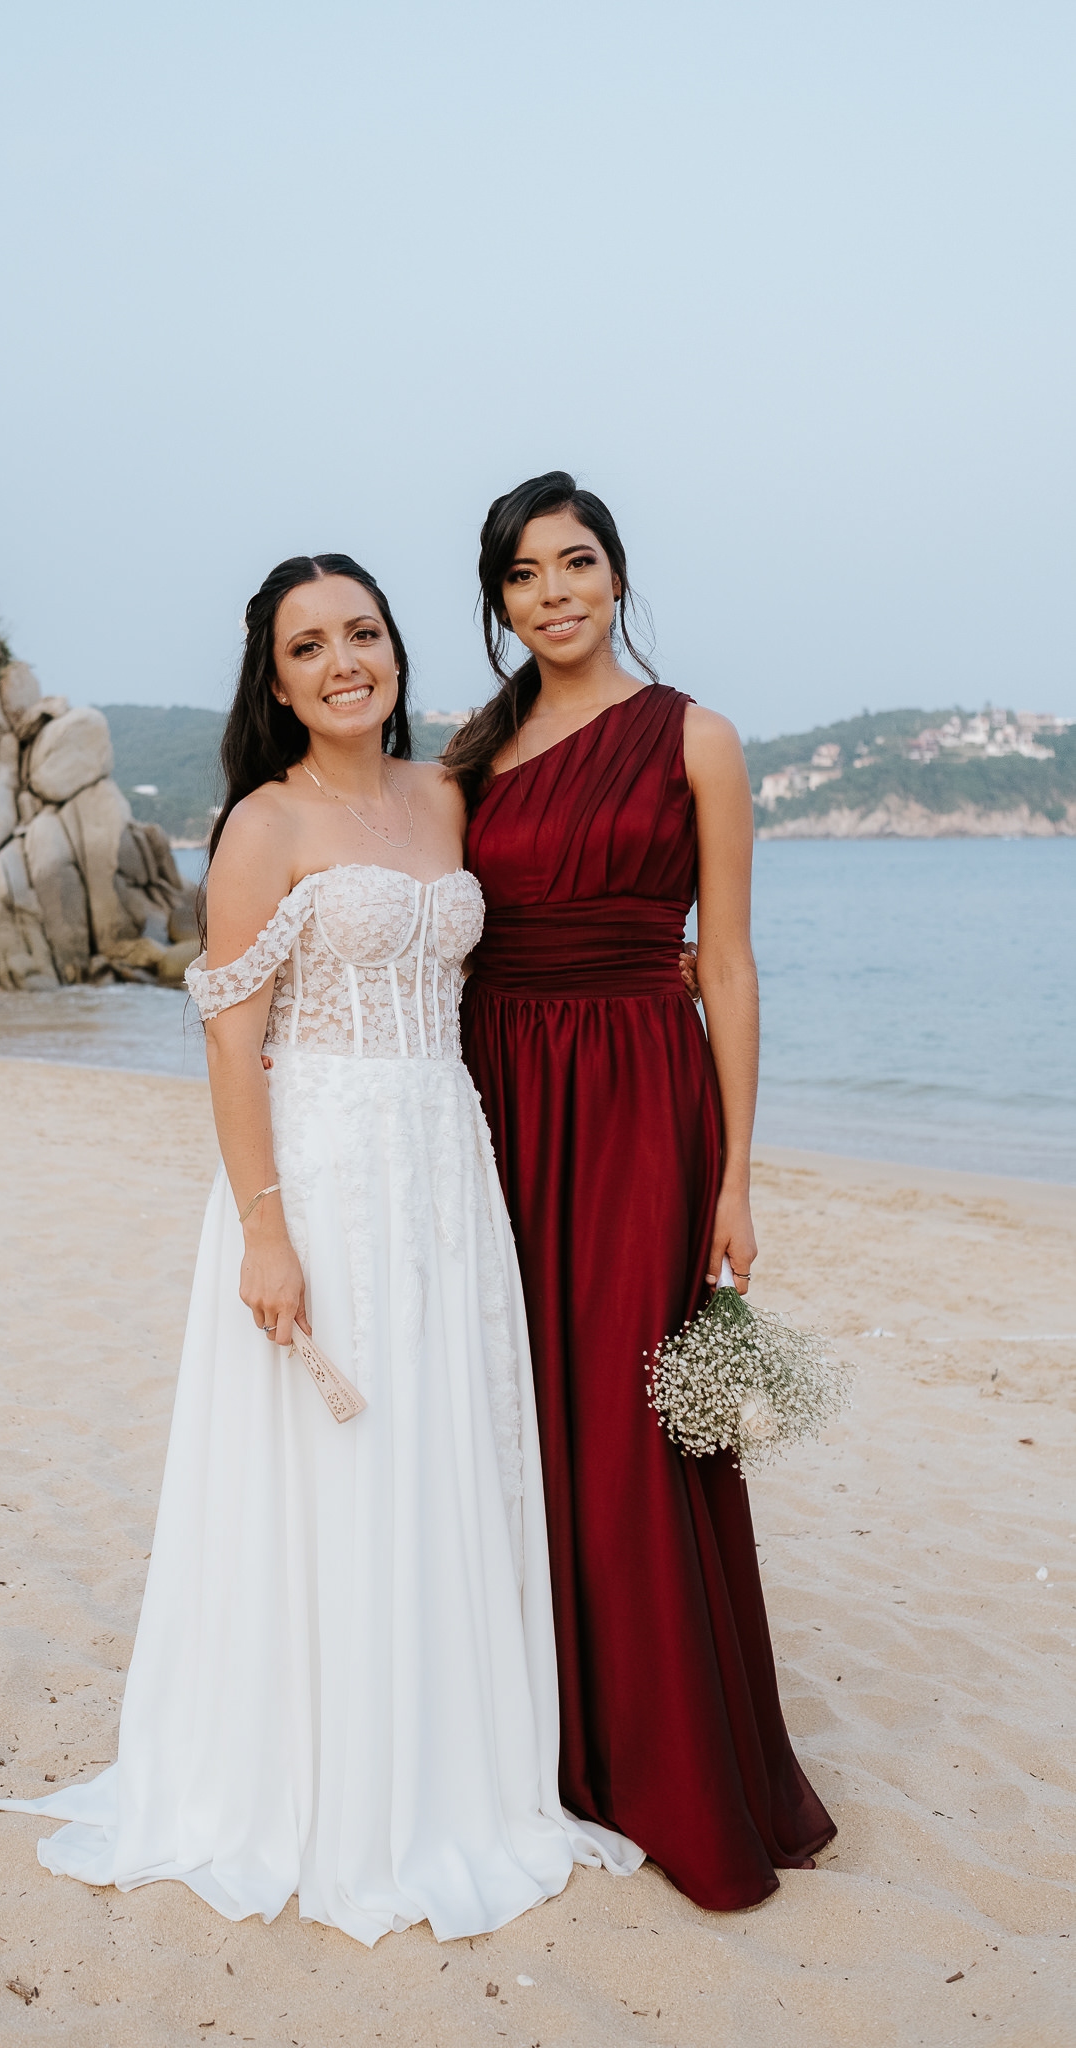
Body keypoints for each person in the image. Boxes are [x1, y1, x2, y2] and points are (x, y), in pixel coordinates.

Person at [0, 552, 641, 1945]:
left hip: (445, 1163)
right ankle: (322, 1778)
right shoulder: (263, 824)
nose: (344, 661)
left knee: (444, 1446)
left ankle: (454, 1767)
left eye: (363, 633)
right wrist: (265, 1233)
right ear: (277, 683)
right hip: (324, 1172)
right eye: (309, 647)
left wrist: (657, 996)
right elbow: (232, 1039)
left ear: (395, 650)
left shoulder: (447, 793)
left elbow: (536, 940)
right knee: (332, 1466)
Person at [447, 472, 836, 1912]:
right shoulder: (471, 753)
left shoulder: (695, 738)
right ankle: (533, 1738)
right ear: (498, 603)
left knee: (624, 1409)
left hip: (635, 1098)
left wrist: (736, 1171)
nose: (553, 592)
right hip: (492, 1086)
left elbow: (724, 961)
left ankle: (663, 1757)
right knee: (512, 1400)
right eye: (523, 574)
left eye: (576, 563)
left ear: (617, 574)